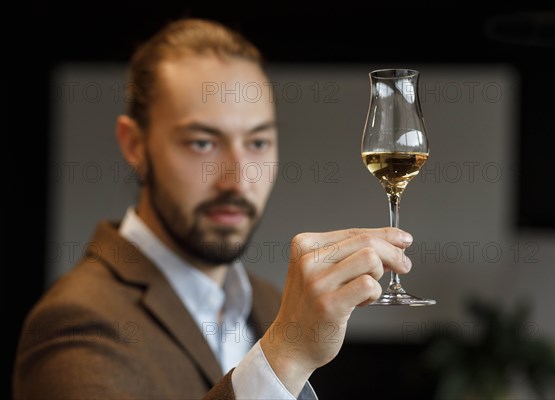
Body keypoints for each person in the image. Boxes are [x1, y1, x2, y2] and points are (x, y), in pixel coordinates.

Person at [13, 18, 414, 399]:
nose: (237, 180)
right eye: (202, 143)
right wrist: (284, 358)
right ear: (134, 144)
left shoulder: (269, 302)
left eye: (257, 143)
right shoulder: (76, 322)